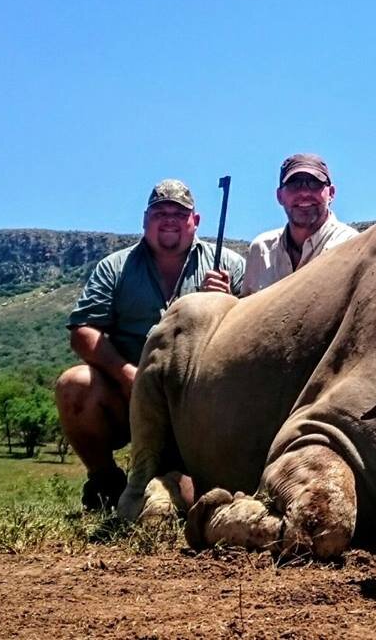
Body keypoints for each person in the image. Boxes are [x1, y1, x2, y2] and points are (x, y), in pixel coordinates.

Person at [55, 179, 245, 510]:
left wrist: (229, 303)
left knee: (187, 496)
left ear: (195, 221)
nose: (169, 219)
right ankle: (105, 482)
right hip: (128, 393)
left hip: (199, 400)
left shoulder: (230, 265)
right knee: (74, 385)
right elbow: (82, 331)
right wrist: (130, 375)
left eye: (179, 212)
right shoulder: (115, 267)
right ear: (145, 220)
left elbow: (250, 336)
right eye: (160, 212)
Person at [241, 153, 358, 295]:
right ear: (279, 196)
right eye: (294, 184)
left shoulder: (350, 245)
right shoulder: (260, 250)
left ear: (331, 193)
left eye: (314, 183)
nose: (304, 192)